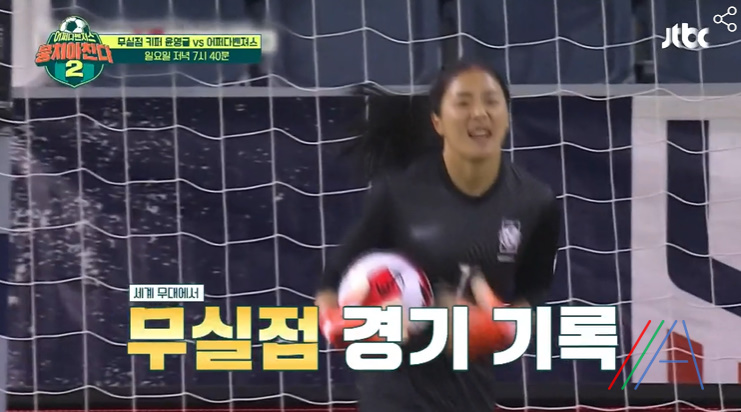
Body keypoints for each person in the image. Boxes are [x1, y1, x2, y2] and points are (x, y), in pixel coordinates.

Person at [315, 59, 561, 412]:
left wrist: (505, 327)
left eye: (491, 101)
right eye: (463, 102)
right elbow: (330, 281)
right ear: (438, 122)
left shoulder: (535, 202)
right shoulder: (397, 192)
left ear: (507, 116)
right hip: (393, 399)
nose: (479, 113)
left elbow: (535, 290)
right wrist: (336, 324)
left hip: (470, 398)